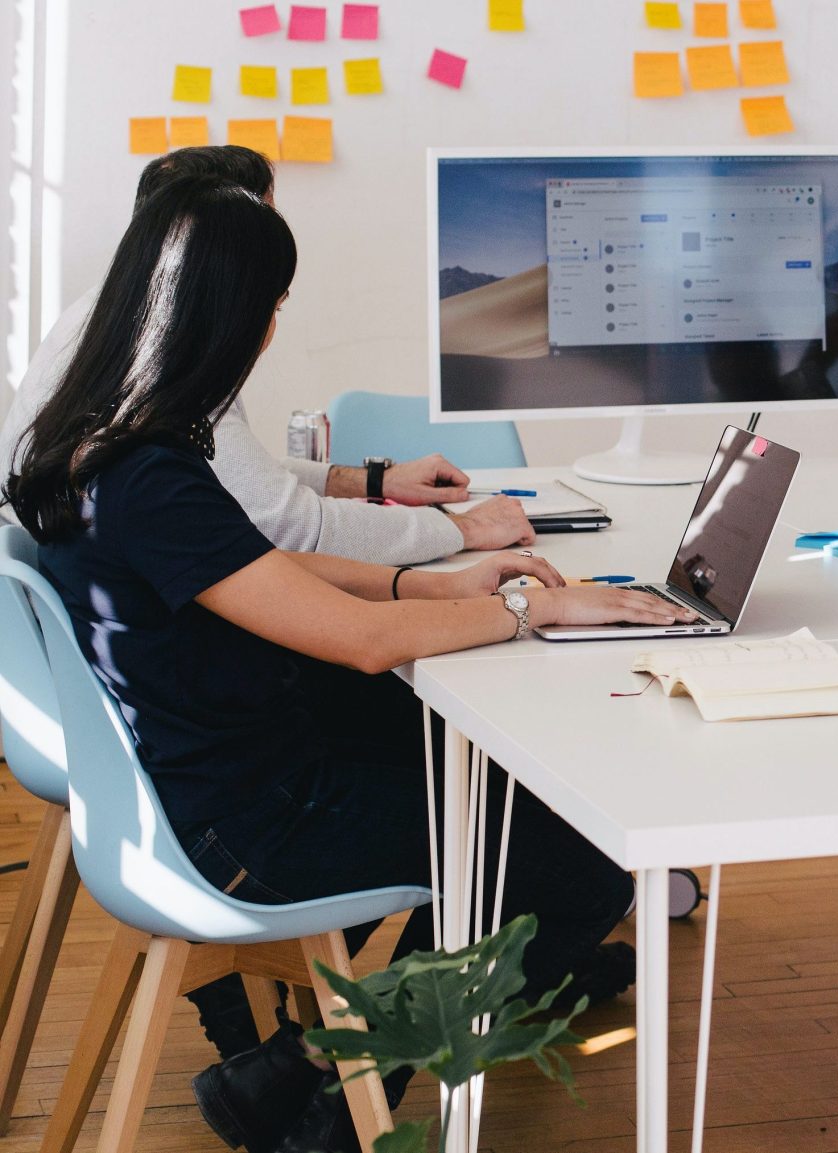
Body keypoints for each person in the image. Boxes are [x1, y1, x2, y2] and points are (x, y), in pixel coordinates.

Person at [5, 179, 690, 1151]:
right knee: (575, 866)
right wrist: (531, 608)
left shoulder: (98, 446)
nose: (275, 330)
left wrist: (433, 587)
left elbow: (263, 571)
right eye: (273, 307)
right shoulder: (152, 474)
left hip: (207, 778)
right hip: (248, 822)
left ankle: (303, 1072)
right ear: (229, 315)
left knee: (492, 791)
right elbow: (356, 641)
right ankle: (329, 1088)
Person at [0, 145, 534, 563]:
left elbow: (225, 476)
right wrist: (461, 530)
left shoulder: (110, 319)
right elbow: (291, 528)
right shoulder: (165, 353)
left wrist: (375, 482)